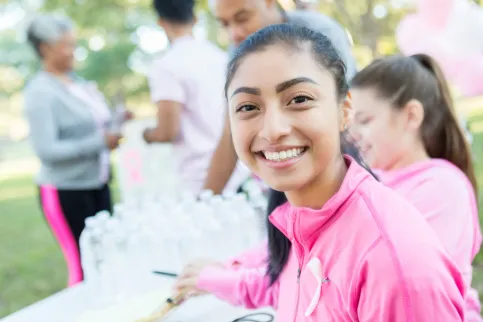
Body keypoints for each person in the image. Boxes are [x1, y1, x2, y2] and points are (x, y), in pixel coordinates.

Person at [175, 24, 465, 320]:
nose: (273, 129)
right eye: (248, 106)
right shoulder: (301, 223)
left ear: (344, 110)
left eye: (299, 99)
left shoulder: (390, 259)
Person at [349, 54, 482, 321]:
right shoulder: (365, 181)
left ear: (411, 115)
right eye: (350, 124)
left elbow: (396, 275)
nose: (353, 134)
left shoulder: (442, 187)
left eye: (364, 121)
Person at [203, 0, 356, 194]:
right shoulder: (238, 49)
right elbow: (229, 133)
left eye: (243, 18)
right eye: (225, 24)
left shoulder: (320, 31)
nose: (235, 33)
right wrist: (204, 201)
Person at [24, 14, 127, 286]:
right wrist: (100, 143)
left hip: (98, 183)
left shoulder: (79, 84)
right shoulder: (40, 91)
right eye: (65, 45)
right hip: (65, 191)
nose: (73, 51)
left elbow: (97, 126)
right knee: (84, 266)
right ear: (45, 48)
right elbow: (47, 150)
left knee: (108, 260)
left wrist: (118, 121)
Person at [142, 0, 248, 194]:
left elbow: (168, 131)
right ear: (195, 18)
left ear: (161, 23)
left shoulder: (166, 66)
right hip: (240, 169)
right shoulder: (220, 57)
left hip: (203, 179)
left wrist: (147, 134)